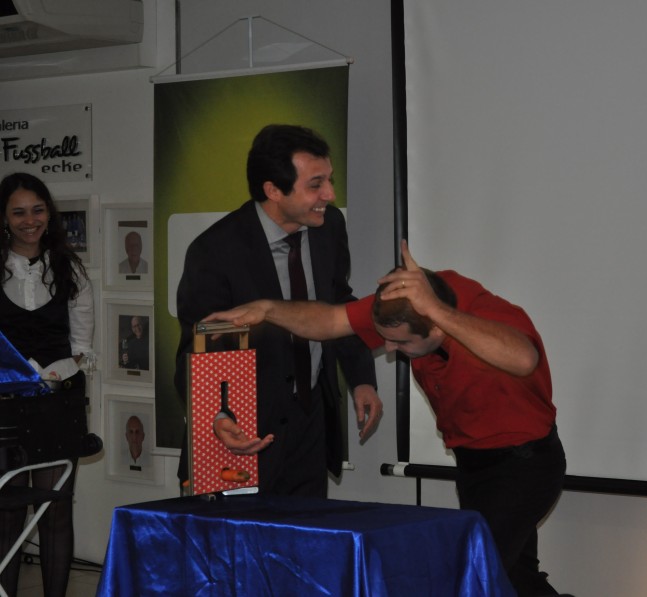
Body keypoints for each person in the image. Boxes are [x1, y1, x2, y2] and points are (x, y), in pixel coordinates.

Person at [205, 240, 567, 596]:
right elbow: (331, 320)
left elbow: (523, 358)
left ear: (437, 327)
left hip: (525, 465)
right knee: (517, 580)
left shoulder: (467, 313)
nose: (390, 349)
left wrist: (437, 311)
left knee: (476, 575)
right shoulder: (407, 305)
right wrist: (267, 309)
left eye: (402, 343)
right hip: (474, 464)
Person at [175, 124, 383, 497]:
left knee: (307, 531)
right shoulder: (215, 251)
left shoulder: (329, 226)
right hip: (242, 432)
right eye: (316, 184)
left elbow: (339, 302)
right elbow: (197, 348)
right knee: (240, 536)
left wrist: (362, 377)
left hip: (311, 425)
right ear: (273, 190)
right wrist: (217, 416)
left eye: (330, 180)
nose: (330, 195)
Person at [0, 172, 94, 597]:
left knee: (55, 512)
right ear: (4, 218)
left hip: (57, 404)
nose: (30, 220)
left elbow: (82, 348)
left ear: (49, 213)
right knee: (7, 515)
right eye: (18, 212)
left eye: (37, 210)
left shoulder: (69, 269)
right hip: (4, 408)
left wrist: (49, 376)